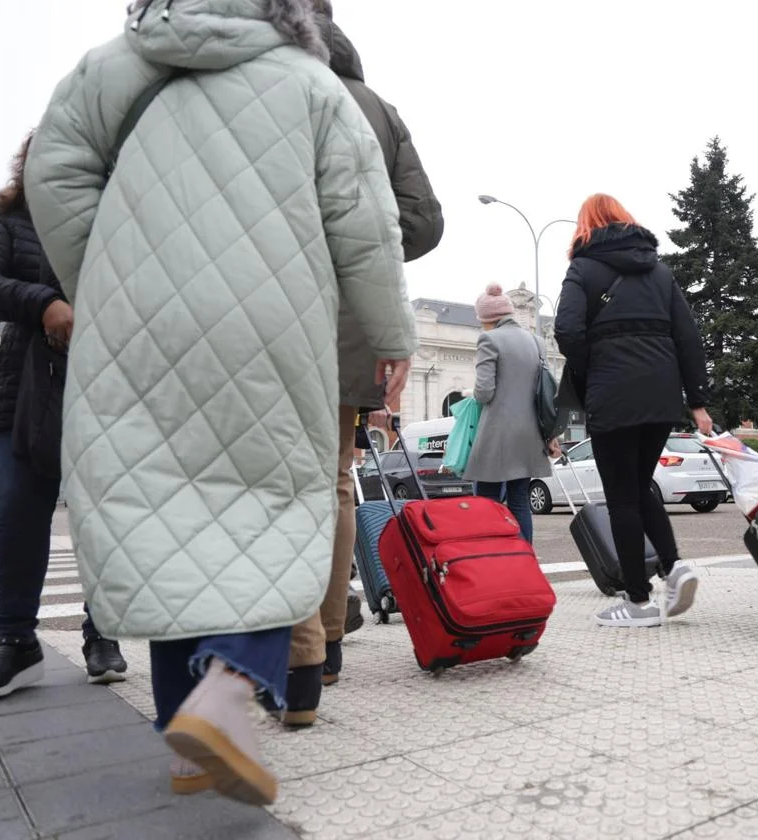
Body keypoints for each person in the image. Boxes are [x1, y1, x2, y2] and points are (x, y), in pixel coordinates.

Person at [24, 0, 415, 805]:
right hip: (272, 325)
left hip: (138, 326)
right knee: (280, 506)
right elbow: (365, 221)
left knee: (163, 518)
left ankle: (189, 739)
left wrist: (104, 276)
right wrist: (389, 333)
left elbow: (52, 170)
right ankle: (228, 692)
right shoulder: (311, 84)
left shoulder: (114, 66)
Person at [281, 0, 444, 728]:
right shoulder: (377, 108)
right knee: (335, 483)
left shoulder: (267, 86)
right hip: (351, 320)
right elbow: (423, 219)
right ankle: (331, 643)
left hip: (269, 309)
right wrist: (363, 249)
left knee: (268, 483)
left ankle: (286, 650)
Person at [0, 134, 128, 700]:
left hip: (105, 388)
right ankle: (17, 644)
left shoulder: (124, 218)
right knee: (19, 518)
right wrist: (43, 303)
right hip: (25, 390)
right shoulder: (15, 220)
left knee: (103, 522)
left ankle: (102, 634)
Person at [555, 194, 712, 628]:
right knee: (640, 486)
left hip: (614, 394)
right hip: (662, 395)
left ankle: (638, 602)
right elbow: (688, 336)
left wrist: (593, 368)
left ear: (586, 225)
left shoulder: (583, 269)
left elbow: (566, 329)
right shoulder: (660, 272)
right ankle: (675, 565)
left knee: (622, 498)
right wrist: (696, 399)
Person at [461, 284, 552, 544]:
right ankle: (525, 559)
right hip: (530, 434)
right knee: (520, 500)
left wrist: (470, 392)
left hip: (499, 435)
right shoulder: (537, 341)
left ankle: (494, 558)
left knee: (487, 500)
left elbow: (485, 392)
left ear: (488, 319)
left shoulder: (489, 339)